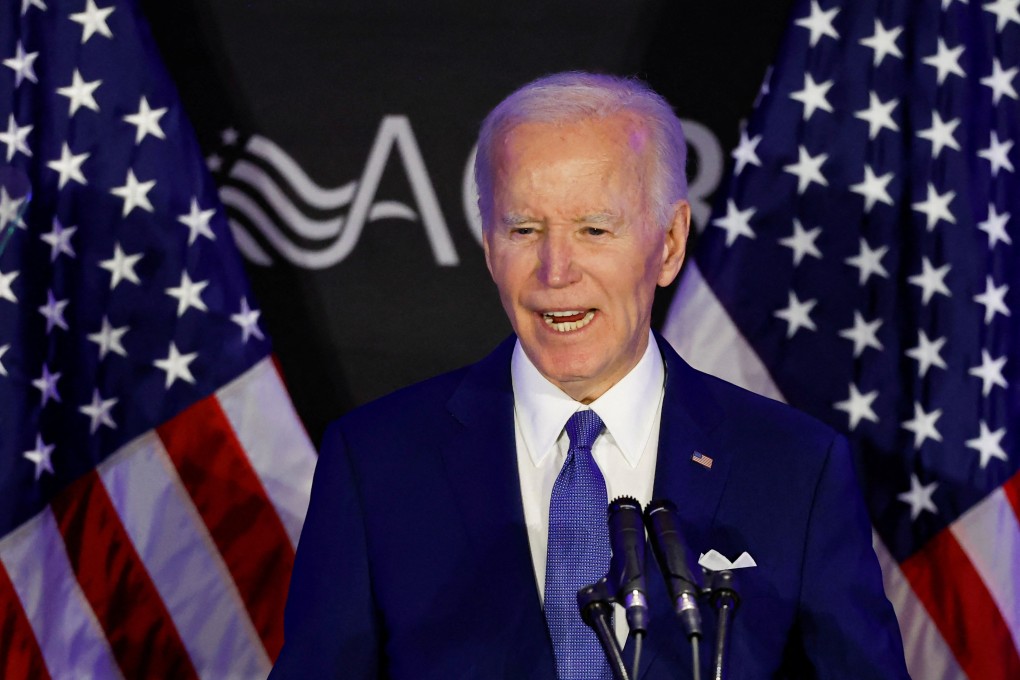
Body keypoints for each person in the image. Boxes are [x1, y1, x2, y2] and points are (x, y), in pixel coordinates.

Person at [270, 72, 909, 679]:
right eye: (523, 229)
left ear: (668, 244)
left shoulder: (795, 469)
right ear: (490, 248)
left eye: (594, 229)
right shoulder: (377, 462)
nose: (556, 272)